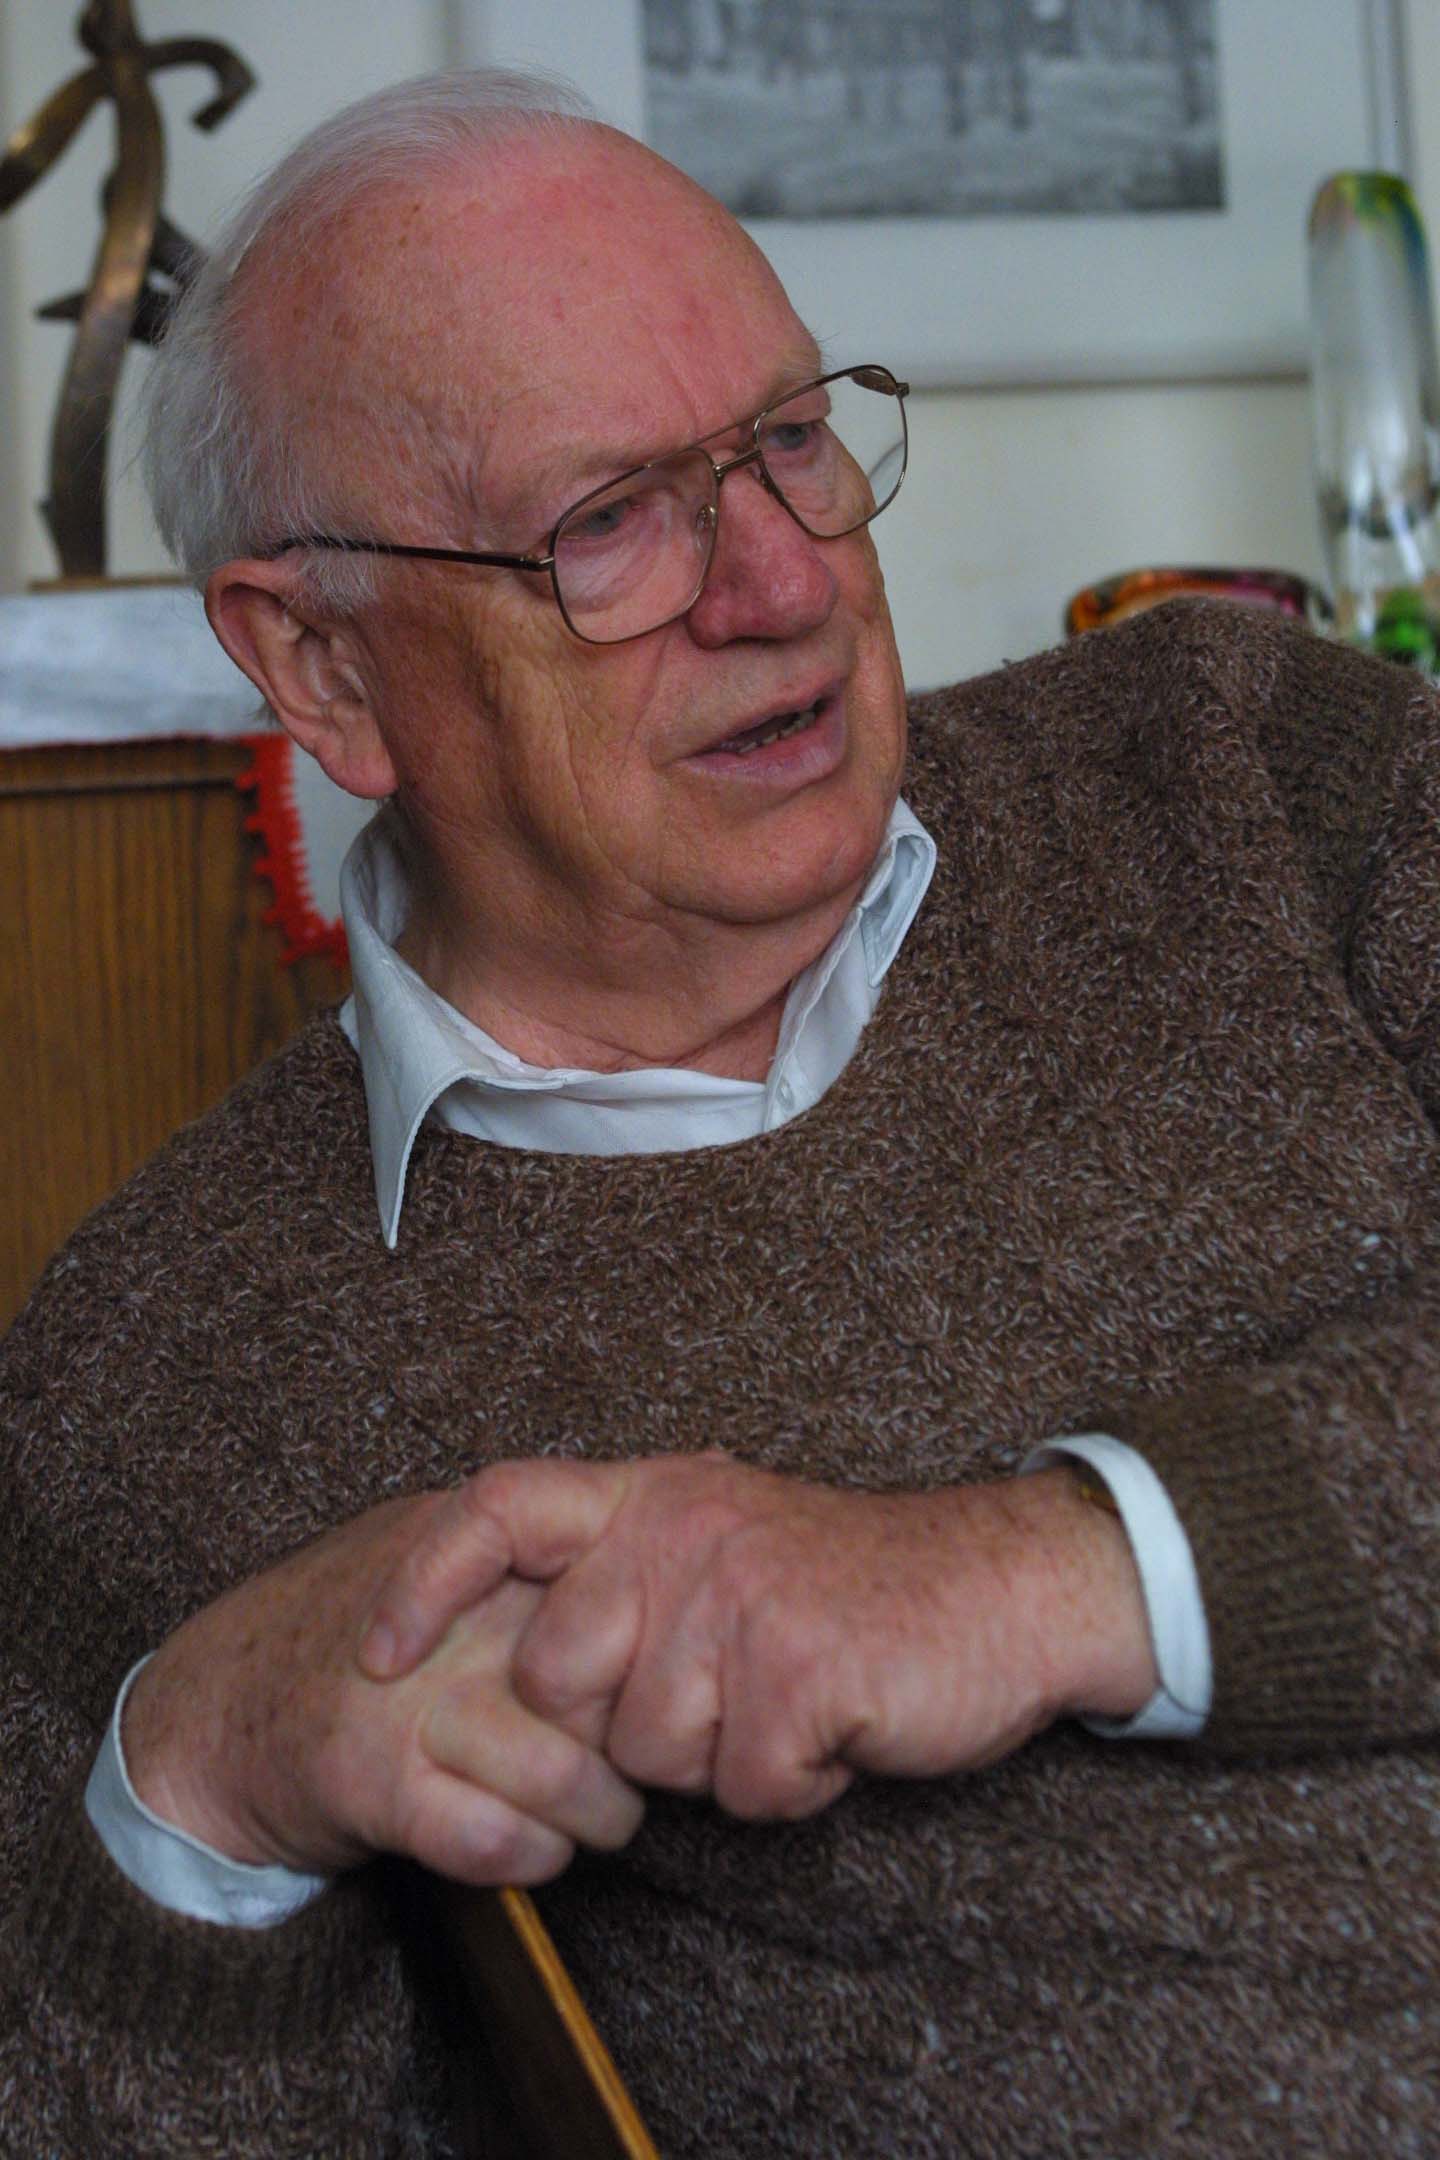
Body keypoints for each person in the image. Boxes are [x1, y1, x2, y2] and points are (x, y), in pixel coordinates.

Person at [2, 67, 1438, 2160]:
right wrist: (193, 1791)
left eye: (789, 439)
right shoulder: (155, 1379)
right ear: (320, 670)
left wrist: (1049, 1573)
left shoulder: (1249, 769)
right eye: (606, 519)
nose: (779, 581)